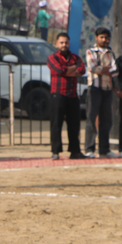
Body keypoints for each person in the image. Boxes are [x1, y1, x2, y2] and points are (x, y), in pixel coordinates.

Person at [48, 31, 85, 160]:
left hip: (72, 95)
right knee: (56, 123)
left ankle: (75, 151)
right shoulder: (52, 58)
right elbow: (59, 70)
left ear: (69, 44)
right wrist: (73, 70)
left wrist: (68, 70)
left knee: (74, 124)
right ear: (56, 44)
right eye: (61, 42)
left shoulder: (75, 57)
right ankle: (55, 151)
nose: (64, 45)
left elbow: (82, 70)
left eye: (66, 42)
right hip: (58, 94)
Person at [84, 27, 118, 159]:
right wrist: (106, 69)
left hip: (107, 88)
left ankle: (104, 150)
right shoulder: (90, 51)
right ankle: (89, 149)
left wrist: (102, 69)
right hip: (94, 88)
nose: (104, 40)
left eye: (106, 38)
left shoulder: (110, 53)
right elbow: (92, 67)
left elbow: (115, 70)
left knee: (106, 120)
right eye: (102, 37)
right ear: (96, 38)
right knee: (91, 118)